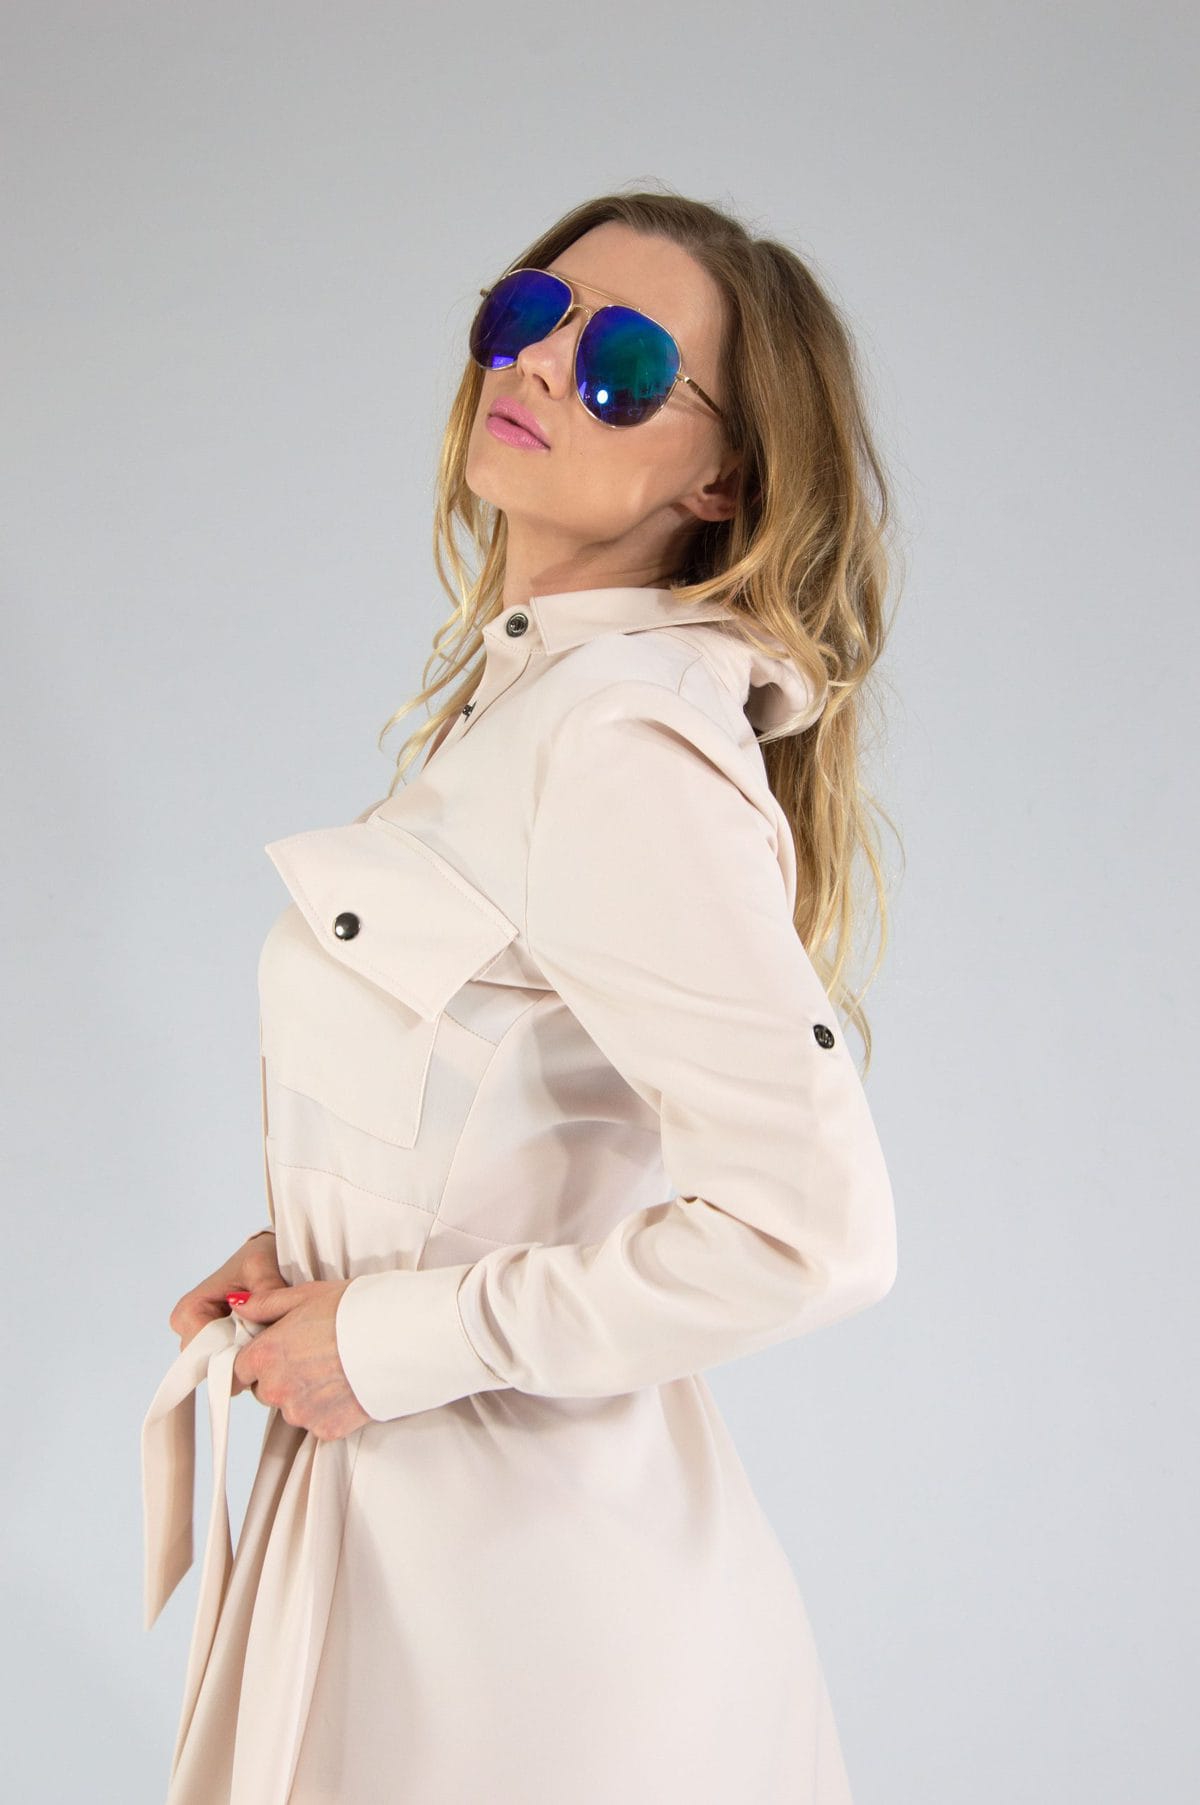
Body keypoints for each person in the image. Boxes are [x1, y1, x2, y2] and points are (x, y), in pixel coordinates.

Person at [142, 188, 902, 1805]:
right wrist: (332, 1251)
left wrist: (393, 1332)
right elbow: (509, 1104)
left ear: (719, 479)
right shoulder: (531, 708)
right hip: (415, 1543)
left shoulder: (619, 740)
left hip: (522, 1623)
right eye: (526, 316)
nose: (545, 364)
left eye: (623, 364)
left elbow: (812, 1230)